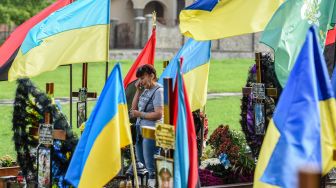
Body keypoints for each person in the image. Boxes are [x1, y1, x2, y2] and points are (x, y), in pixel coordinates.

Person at [130, 64, 163, 180]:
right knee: (142, 161)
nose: (141, 81)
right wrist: (137, 92)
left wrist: (141, 115)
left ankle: (154, 184)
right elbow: (133, 110)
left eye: (142, 78)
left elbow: (159, 114)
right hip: (140, 131)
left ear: (152, 76)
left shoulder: (158, 91)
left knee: (151, 165)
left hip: (152, 132)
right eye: (139, 79)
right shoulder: (145, 90)